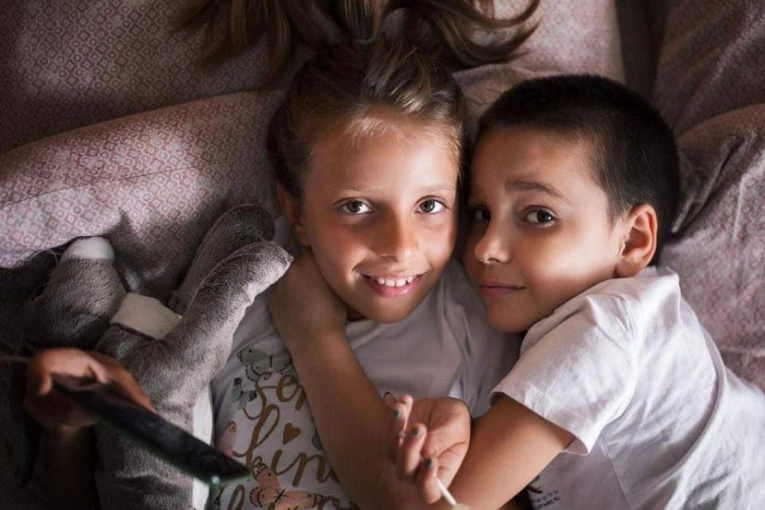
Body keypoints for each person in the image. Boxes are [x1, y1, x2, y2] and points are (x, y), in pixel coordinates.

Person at [23, 1, 539, 508]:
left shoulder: (475, 322)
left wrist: (315, 334)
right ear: (296, 212)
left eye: (429, 205)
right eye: (356, 206)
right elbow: (138, 485)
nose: (401, 245)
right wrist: (77, 423)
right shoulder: (235, 298)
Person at [378, 74, 765, 509]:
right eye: (481, 213)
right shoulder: (638, 320)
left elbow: (437, 505)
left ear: (633, 240)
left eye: (539, 216)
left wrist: (322, 340)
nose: (485, 247)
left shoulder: (604, 330)